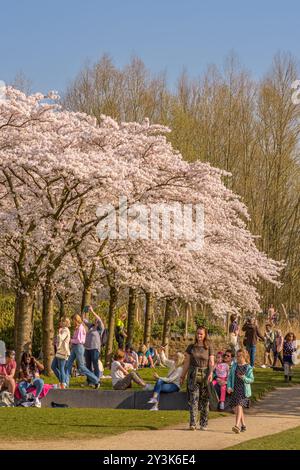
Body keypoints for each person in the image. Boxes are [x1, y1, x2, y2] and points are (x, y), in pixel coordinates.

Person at [180, 326, 214, 431]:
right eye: (197, 333)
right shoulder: (191, 347)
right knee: (193, 400)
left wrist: (211, 373)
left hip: (205, 375)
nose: (199, 336)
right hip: (193, 375)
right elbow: (186, 362)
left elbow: (211, 362)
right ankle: (193, 423)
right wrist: (182, 376)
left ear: (205, 335)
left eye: (201, 334)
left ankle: (203, 423)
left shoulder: (209, 347)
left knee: (205, 401)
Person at [64, 314, 100, 388]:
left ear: (76, 319)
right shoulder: (77, 328)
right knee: (68, 365)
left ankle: (96, 380)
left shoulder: (80, 328)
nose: (72, 321)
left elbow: (80, 340)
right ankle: (65, 384)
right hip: (75, 347)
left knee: (81, 367)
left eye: (73, 320)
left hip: (79, 347)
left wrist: (70, 340)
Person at [147, 347, 184, 411]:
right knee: (159, 383)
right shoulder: (173, 363)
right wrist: (162, 351)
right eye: (175, 356)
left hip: (174, 386)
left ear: (179, 358)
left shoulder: (180, 369)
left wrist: (159, 377)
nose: (174, 357)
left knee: (158, 385)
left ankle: (155, 404)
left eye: (176, 356)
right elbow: (165, 361)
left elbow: (170, 380)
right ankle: (154, 400)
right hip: (168, 383)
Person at [227, 349, 254, 433]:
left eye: (239, 356)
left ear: (244, 356)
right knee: (237, 409)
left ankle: (237, 426)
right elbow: (230, 377)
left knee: (239, 406)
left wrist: (244, 378)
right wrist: (229, 387)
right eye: (237, 356)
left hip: (243, 391)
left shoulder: (248, 367)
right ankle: (243, 425)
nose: (237, 358)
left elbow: (251, 379)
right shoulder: (234, 366)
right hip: (235, 389)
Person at [83, 305, 105, 385]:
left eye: (97, 320)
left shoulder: (100, 329)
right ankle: (89, 381)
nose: (96, 320)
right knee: (88, 365)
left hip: (95, 348)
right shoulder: (91, 326)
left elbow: (99, 319)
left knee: (95, 364)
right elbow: (84, 320)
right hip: (87, 348)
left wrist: (92, 311)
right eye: (95, 320)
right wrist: (84, 311)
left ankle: (97, 380)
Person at [51, 317, 71, 388]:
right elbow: (59, 339)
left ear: (65, 323)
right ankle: (62, 380)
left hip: (63, 351)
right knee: (53, 366)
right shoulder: (63, 330)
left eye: (62, 321)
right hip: (59, 351)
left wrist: (59, 333)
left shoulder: (65, 330)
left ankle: (63, 383)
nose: (60, 322)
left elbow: (62, 338)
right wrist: (55, 341)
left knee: (61, 367)